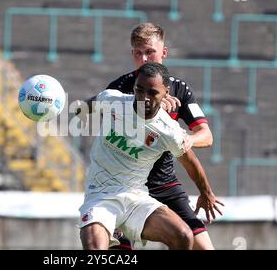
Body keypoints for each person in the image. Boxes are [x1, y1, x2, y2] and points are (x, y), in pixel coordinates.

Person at [77, 62, 223, 250]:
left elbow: (191, 163)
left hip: (136, 197)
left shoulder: (168, 130)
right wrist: (74, 111)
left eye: (152, 93)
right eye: (139, 90)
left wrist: (206, 193)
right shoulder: (113, 100)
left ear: (166, 93)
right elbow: (84, 107)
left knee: (184, 236)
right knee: (94, 248)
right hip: (100, 195)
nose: (144, 98)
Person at [106, 23, 218, 250]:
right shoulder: (119, 90)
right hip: (125, 186)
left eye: (150, 52)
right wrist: (153, 112)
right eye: (138, 53)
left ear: (163, 52)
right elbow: (112, 138)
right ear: (132, 54)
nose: (144, 59)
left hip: (164, 185)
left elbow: (206, 135)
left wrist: (186, 139)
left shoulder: (180, 90)